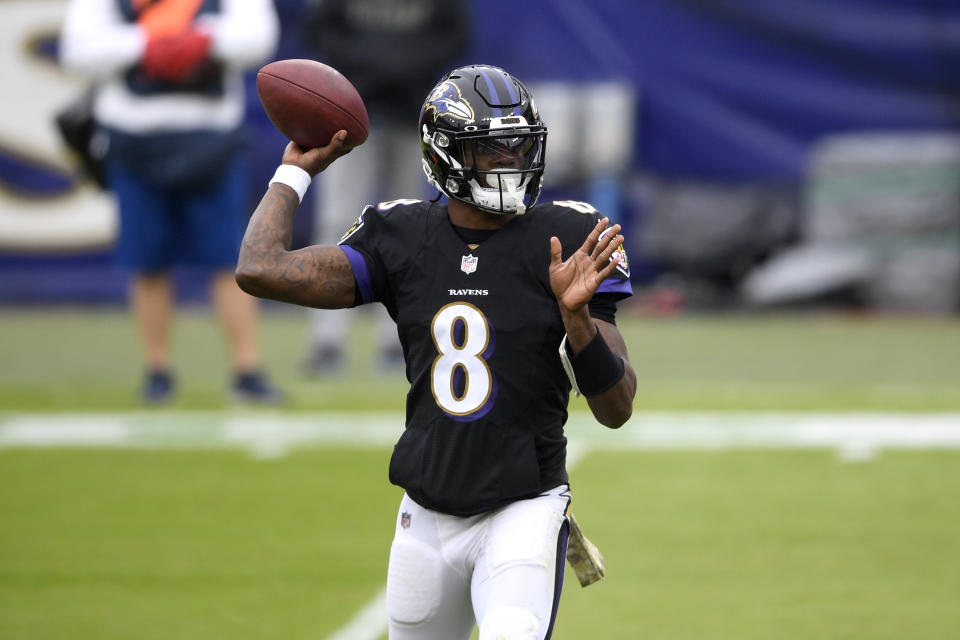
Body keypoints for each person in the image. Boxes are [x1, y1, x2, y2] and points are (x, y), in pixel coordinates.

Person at [236, 65, 637, 639]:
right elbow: (259, 268)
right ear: (446, 155)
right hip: (425, 514)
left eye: (518, 148)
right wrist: (293, 174)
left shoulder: (569, 235)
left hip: (524, 508)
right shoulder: (401, 234)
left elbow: (616, 408)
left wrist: (577, 320)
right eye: (491, 151)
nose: (511, 164)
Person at [59, 0, 282, 404]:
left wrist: (201, 40)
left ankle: (247, 369)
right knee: (146, 262)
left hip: (211, 142)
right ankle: (157, 370)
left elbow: (258, 36)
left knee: (233, 262)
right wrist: (145, 44)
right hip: (133, 142)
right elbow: (77, 48)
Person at [299, 0, 469, 374]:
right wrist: (374, 66)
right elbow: (319, 30)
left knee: (409, 225)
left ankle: (397, 339)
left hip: (414, 109)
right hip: (350, 109)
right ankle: (327, 340)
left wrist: (402, 66)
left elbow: (455, 36)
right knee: (338, 220)